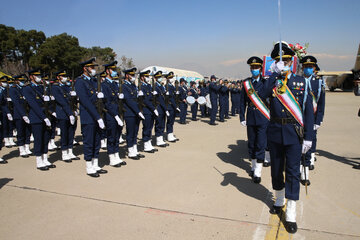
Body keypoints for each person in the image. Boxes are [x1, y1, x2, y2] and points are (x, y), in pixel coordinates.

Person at [263, 42, 314, 234]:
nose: (282, 63)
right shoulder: (272, 81)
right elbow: (262, 93)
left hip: (294, 134)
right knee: (276, 169)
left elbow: (308, 112)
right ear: (274, 63)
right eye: (278, 61)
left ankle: (291, 211)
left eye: (285, 60)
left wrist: (308, 137)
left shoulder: (301, 82)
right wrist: (275, 74)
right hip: (275, 132)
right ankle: (279, 198)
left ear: (292, 61)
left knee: (292, 172)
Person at [75, 58, 107, 177]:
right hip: (89, 116)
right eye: (92, 67)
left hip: (98, 115)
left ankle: (95, 164)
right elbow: (85, 101)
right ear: (85, 68)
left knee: (97, 141)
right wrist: (97, 117)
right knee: (89, 141)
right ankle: (89, 166)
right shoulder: (80, 82)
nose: (94, 69)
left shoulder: (94, 81)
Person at [240, 56, 270, 184]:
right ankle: (253, 166)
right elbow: (242, 102)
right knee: (251, 143)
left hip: (263, 117)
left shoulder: (266, 82)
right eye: (252, 67)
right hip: (251, 117)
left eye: (256, 67)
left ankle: (258, 171)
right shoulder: (246, 83)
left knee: (260, 144)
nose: (254, 69)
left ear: (261, 68)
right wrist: (242, 117)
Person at [22, 68, 56, 171]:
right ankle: (39, 161)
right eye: (36, 76)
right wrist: (44, 117)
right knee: (38, 139)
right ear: (31, 77)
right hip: (37, 117)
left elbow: (47, 102)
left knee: (46, 138)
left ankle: (45, 158)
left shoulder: (42, 87)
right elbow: (34, 105)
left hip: (46, 115)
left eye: (39, 76)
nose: (39, 77)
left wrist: (50, 111)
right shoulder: (27, 88)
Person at [301, 56, 326, 175]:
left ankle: (310, 159)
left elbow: (321, 103)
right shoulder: (298, 80)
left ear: (314, 68)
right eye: (306, 67)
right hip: (300, 116)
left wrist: (318, 120)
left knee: (312, 138)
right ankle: (301, 163)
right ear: (302, 67)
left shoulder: (318, 82)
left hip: (313, 117)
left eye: (310, 67)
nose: (308, 69)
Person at [101, 61, 126, 167]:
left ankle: (116, 155)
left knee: (117, 135)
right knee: (111, 136)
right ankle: (111, 157)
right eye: (113, 70)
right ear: (107, 71)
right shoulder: (104, 85)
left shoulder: (115, 84)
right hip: (111, 114)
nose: (115, 72)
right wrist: (115, 115)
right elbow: (107, 103)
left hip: (118, 112)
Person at [51, 70, 79, 163]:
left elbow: (72, 101)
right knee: (64, 134)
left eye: (65, 76)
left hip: (71, 112)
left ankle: (70, 151)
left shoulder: (68, 87)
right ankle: (64, 153)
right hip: (63, 113)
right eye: (62, 76)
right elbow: (62, 101)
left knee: (71, 132)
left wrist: (74, 107)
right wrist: (69, 113)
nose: (65, 78)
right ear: (58, 77)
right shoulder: (55, 87)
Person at [122, 68, 146, 159]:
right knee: (130, 132)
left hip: (136, 113)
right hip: (130, 113)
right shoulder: (124, 86)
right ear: (127, 75)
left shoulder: (133, 86)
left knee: (135, 132)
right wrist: (138, 111)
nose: (133, 77)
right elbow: (129, 101)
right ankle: (130, 151)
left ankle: (135, 150)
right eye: (131, 75)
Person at [10, 74, 32, 158]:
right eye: (21, 81)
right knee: (21, 132)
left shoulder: (24, 89)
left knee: (28, 131)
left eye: (23, 81)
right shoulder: (13, 90)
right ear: (16, 81)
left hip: (27, 113)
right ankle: (21, 149)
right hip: (19, 114)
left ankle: (27, 147)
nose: (23, 82)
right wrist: (23, 115)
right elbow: (17, 103)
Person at [139, 70, 158, 153]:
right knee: (146, 127)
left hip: (151, 110)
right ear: (142, 77)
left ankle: (149, 143)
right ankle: (146, 144)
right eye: (146, 76)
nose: (147, 78)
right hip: (146, 109)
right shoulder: (141, 87)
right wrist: (153, 108)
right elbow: (145, 100)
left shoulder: (149, 86)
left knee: (150, 127)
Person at [153, 71, 170, 147]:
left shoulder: (161, 86)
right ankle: (158, 140)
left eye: (161, 77)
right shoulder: (155, 86)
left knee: (162, 123)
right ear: (155, 78)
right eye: (159, 77)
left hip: (163, 107)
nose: (160, 78)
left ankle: (161, 138)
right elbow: (159, 99)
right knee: (159, 124)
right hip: (159, 107)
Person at [164, 72, 180, 142]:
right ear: (167, 78)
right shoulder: (167, 86)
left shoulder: (172, 86)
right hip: (170, 106)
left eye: (172, 77)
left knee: (172, 121)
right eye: (170, 78)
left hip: (173, 106)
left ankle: (171, 134)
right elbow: (170, 98)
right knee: (169, 121)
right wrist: (176, 106)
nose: (172, 79)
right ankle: (169, 135)